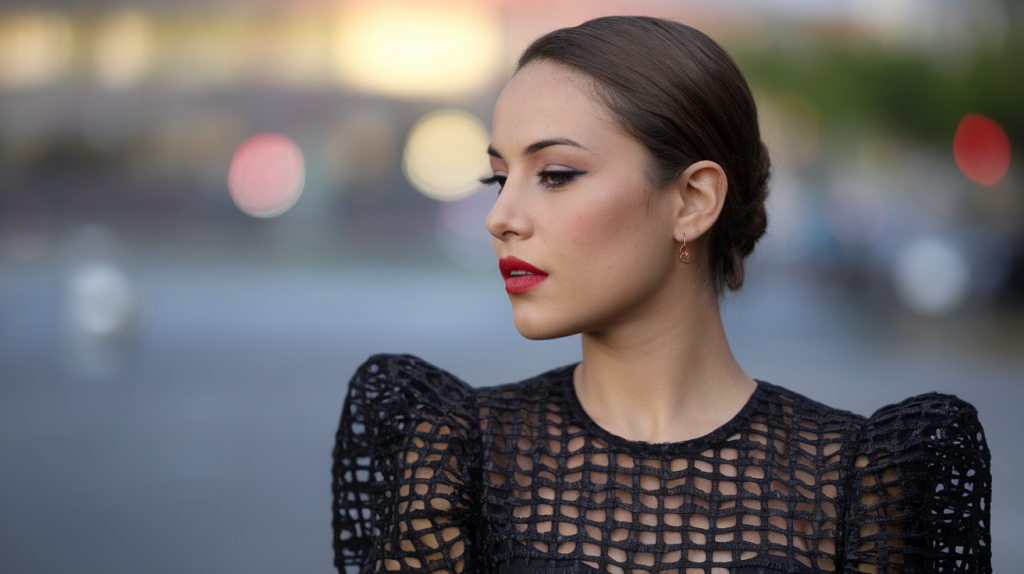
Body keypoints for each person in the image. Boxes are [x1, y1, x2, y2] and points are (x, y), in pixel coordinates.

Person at [332, 16, 991, 574]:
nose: (500, 216)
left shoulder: (863, 477)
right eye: (498, 178)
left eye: (556, 175)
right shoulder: (455, 454)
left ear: (692, 201)